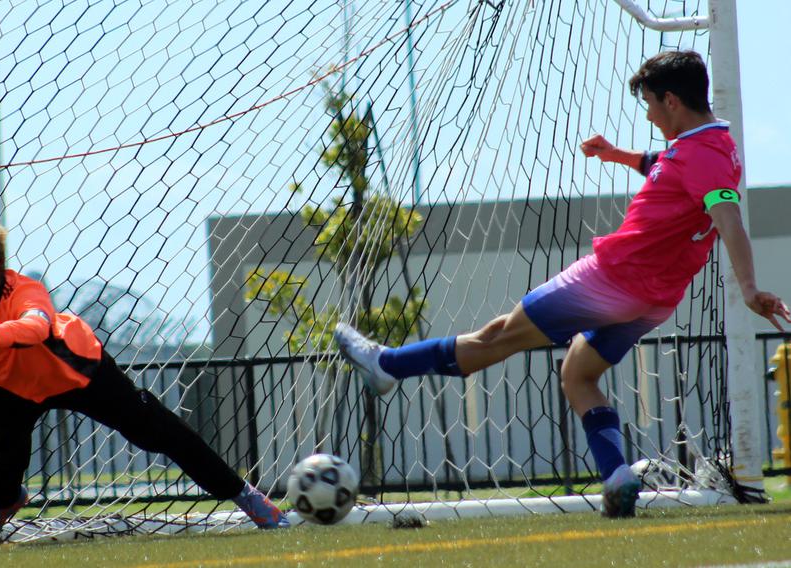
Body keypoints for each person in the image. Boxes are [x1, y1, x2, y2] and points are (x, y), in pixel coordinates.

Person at [335, 50, 791, 518]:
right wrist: (617, 155)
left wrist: (751, 287)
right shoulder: (712, 143)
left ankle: (386, 364)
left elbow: (728, 218)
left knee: (496, 337)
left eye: (651, 104)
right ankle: (617, 478)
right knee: (578, 374)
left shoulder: (703, 157)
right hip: (653, 299)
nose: (650, 115)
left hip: (612, 279)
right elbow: (666, 167)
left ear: (672, 100)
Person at [0, 211, 289, 544]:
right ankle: (1, 509)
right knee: (5, 469)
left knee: (157, 431)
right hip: (14, 387)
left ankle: (245, 496)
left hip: (77, 370)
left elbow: (35, 329)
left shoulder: (26, 290)